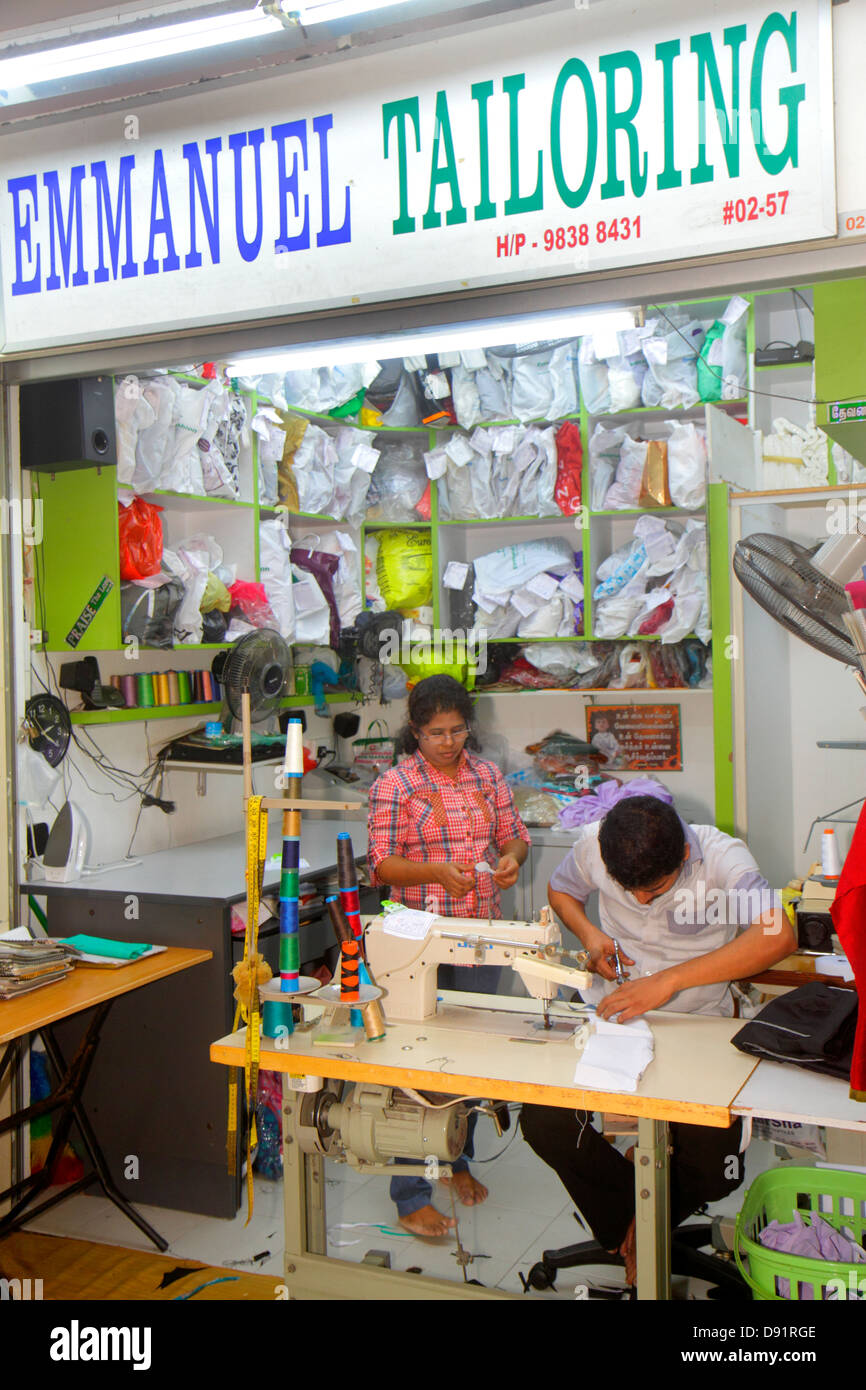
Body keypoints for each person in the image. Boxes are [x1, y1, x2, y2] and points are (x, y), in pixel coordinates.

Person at [519, 794, 795, 1285]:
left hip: (701, 1022)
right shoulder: (594, 845)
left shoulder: (721, 855)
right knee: (544, 1120)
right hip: (619, 1020)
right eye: (630, 891)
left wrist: (669, 981)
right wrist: (590, 936)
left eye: (655, 889)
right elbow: (561, 891)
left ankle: (638, 1229)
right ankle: (641, 1230)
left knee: (716, 1168)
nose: (642, 902)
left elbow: (777, 937)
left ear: (684, 856)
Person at [366, 674, 531, 1237]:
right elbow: (382, 865)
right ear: (415, 730)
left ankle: (454, 1158)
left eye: (457, 730)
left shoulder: (486, 777)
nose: (448, 742)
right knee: (417, 1061)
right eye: (436, 732)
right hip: (417, 940)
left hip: (480, 931)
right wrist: (436, 873)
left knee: (471, 1054)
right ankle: (410, 1191)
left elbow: (515, 836)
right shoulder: (395, 784)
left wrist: (510, 859)